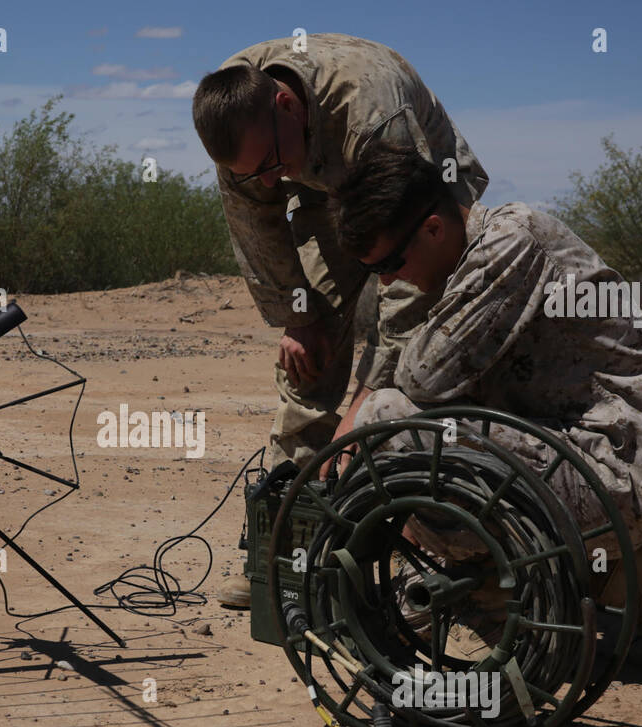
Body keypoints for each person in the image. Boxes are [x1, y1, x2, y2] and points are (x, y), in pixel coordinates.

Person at [326, 140, 642, 662]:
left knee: (389, 422)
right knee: (429, 443)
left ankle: (501, 604)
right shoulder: (479, 252)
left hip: (612, 476)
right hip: (594, 469)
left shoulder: (509, 243)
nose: (387, 280)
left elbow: (423, 377)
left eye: (390, 261)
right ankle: (627, 580)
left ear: (433, 227)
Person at [191, 33, 487, 608]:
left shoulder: (372, 109)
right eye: (258, 174)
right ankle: (283, 552)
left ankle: (431, 538)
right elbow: (259, 232)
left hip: (422, 194)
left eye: (273, 165)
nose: (269, 181)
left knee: (428, 359)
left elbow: (404, 293)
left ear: (287, 105)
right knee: (309, 354)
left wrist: (368, 401)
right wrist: (296, 317)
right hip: (328, 194)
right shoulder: (237, 121)